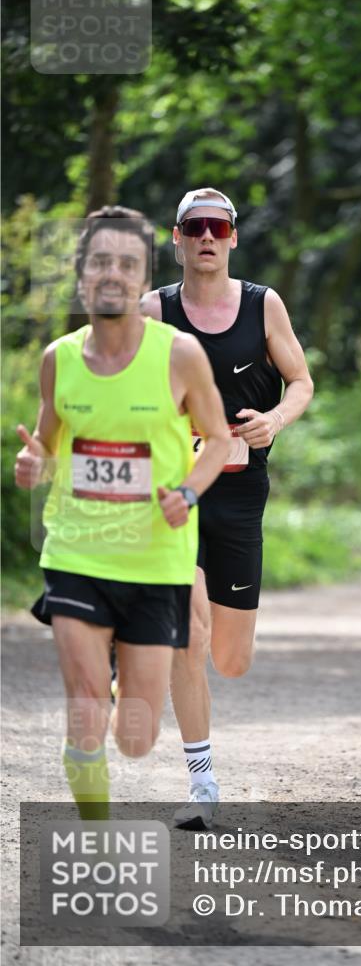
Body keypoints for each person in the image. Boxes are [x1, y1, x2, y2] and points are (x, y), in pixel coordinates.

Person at [15, 205, 231, 818]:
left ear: (143, 277)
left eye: (127, 263)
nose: (112, 273)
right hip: (77, 552)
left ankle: (121, 677)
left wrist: (188, 492)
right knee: (84, 704)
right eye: (100, 261)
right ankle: (97, 839)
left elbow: (219, 441)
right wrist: (35, 464)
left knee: (136, 737)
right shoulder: (58, 358)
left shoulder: (181, 355)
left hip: (155, 560)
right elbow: (49, 445)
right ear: (81, 272)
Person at [141, 187, 313, 827]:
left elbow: (301, 381)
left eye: (218, 226)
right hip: (174, 494)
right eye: (195, 227)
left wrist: (275, 420)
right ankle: (202, 784)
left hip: (240, 492)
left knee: (230, 659)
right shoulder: (154, 310)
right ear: (177, 238)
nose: (207, 237)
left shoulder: (263, 305)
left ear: (234, 237)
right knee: (189, 633)